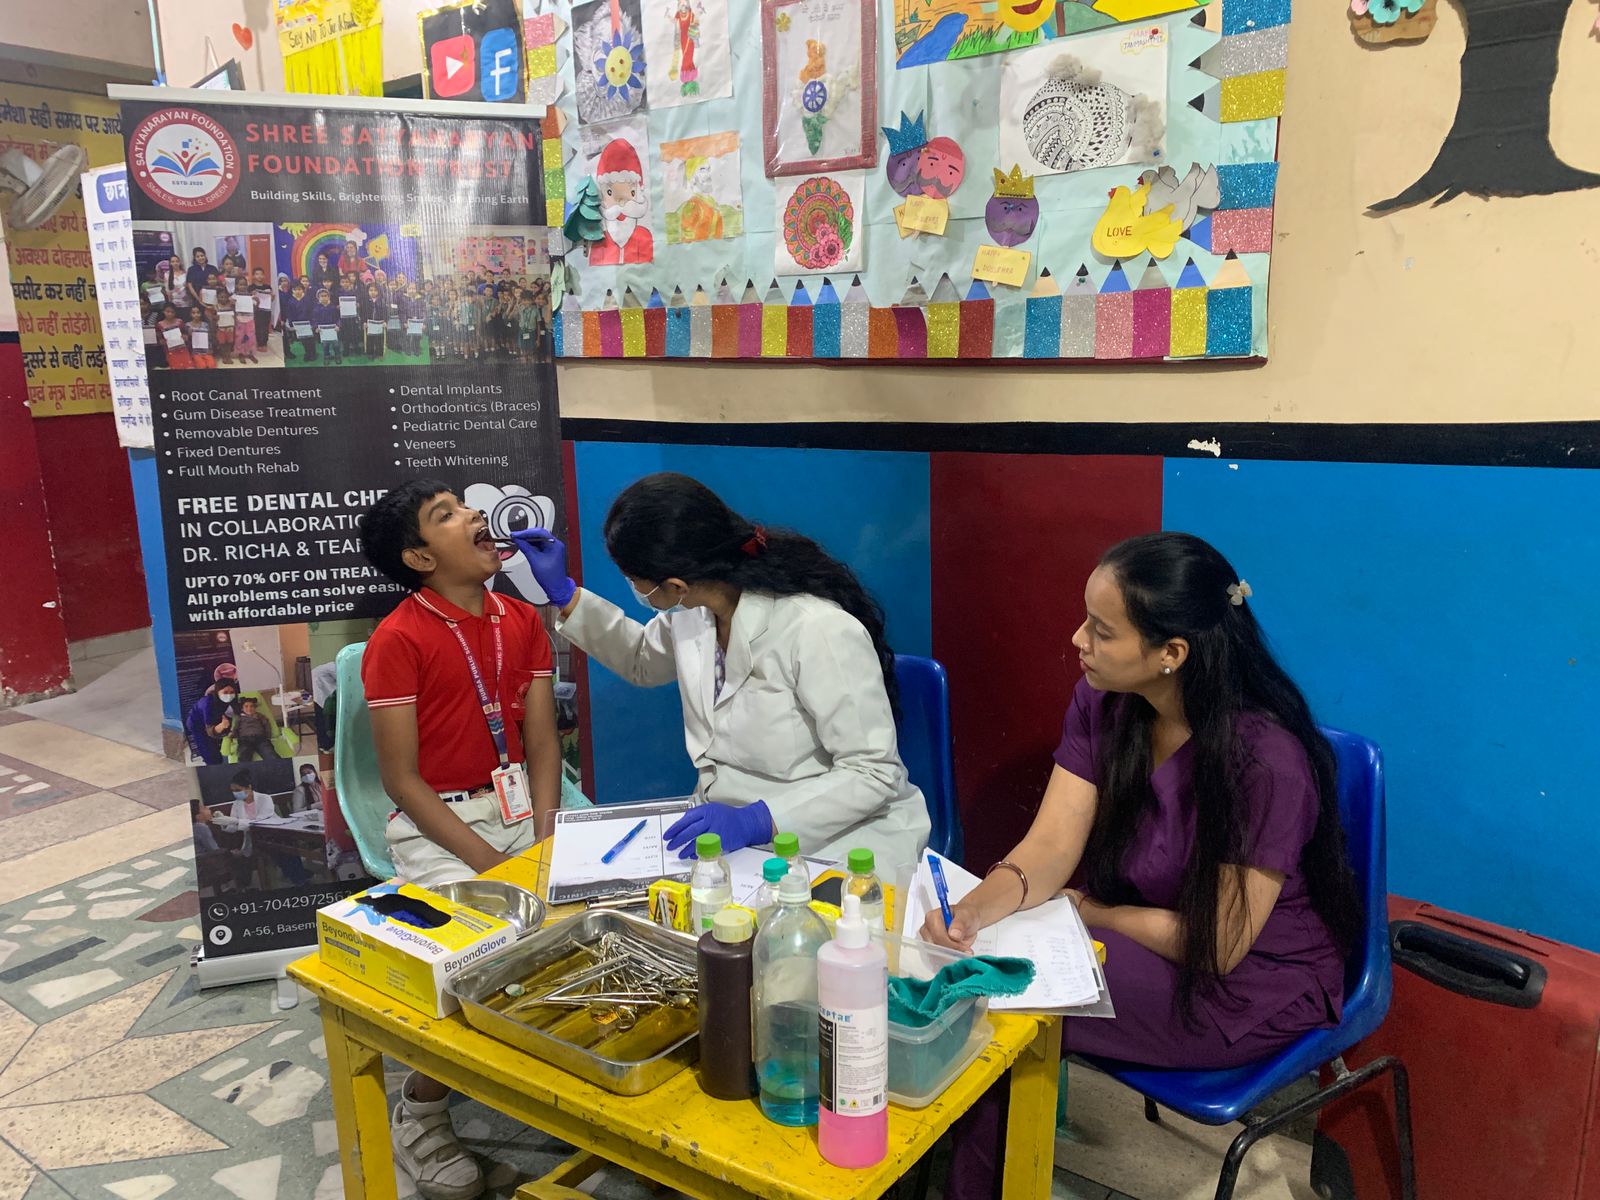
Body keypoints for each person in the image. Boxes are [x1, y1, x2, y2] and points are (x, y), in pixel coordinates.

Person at [926, 532, 1363, 1200]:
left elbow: (1218, 946)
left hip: (1252, 978)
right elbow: (1050, 846)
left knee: (1010, 1010)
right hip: (1151, 934)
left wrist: (1095, 912)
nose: (1078, 639)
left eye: (1102, 631)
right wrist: (974, 910)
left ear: (1171, 654)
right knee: (982, 973)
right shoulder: (1103, 703)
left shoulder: (1263, 760)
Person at [512, 472, 930, 869]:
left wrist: (758, 820)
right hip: (735, 838)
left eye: (634, 580)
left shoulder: (816, 629)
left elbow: (873, 772)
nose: (633, 588)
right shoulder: (694, 615)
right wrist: (565, 595)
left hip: (838, 837)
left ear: (675, 585)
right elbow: (641, 658)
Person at [359, 479, 564, 1200]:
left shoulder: (522, 619)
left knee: (587, 921)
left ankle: (558, 1078)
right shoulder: (397, 639)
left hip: (523, 809)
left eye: (464, 505)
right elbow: (400, 781)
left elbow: (544, 745)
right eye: (444, 515)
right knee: (477, 956)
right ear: (420, 558)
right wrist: (496, 865)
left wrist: (545, 840)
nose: (474, 514)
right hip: (437, 827)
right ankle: (419, 1109)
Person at [232, 696, 278, 761]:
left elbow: (266, 725)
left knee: (270, 753)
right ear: (242, 708)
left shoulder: (260, 716)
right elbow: (236, 728)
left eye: (252, 706)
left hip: (260, 738)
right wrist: (233, 735)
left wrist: (268, 735)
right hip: (245, 739)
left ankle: (279, 766)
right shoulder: (240, 718)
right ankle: (244, 767)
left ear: (255, 707)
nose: (249, 708)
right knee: (244, 755)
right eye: (246, 706)